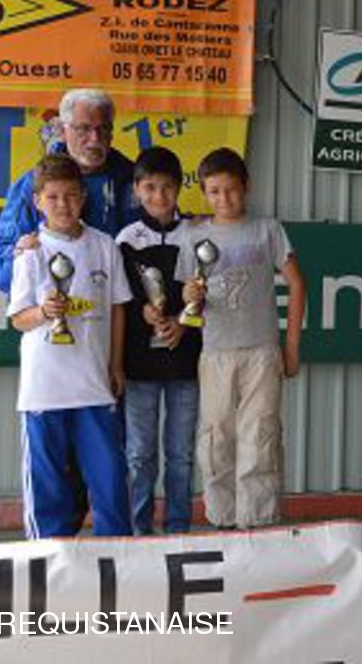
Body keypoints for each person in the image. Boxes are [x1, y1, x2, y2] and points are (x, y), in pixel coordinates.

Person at [6, 154, 132, 538]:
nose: (63, 204)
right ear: (37, 202)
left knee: (111, 479)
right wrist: (44, 312)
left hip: (93, 386)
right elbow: (18, 318)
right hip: (45, 390)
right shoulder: (30, 252)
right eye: (53, 197)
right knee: (48, 488)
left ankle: (118, 556)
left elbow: (118, 307)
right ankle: (46, 557)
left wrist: (115, 365)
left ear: (84, 197)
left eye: (71, 195)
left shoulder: (104, 246)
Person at [179, 147, 305, 529]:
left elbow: (297, 284)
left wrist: (291, 346)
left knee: (260, 435)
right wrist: (190, 296)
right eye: (214, 191)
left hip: (262, 351)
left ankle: (258, 522)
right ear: (204, 192)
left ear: (246, 186)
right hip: (215, 352)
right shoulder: (194, 236)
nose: (224, 198)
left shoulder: (267, 230)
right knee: (216, 437)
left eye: (231, 189)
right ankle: (222, 519)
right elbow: (187, 294)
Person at [115, 146, 203, 535]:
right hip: (139, 365)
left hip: (185, 362)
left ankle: (178, 530)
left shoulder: (196, 235)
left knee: (181, 454)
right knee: (139, 454)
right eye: (149, 187)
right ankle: (139, 531)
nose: (159, 196)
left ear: (180, 187)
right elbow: (119, 298)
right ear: (136, 190)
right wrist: (143, 312)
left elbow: (204, 293)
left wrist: (183, 323)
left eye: (167, 187)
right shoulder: (126, 239)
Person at [0, 88, 139, 294]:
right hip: (51, 305)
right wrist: (19, 256)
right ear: (62, 131)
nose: (94, 139)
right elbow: (0, 268)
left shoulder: (136, 181)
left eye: (103, 128)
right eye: (83, 129)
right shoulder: (33, 183)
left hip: (119, 304)